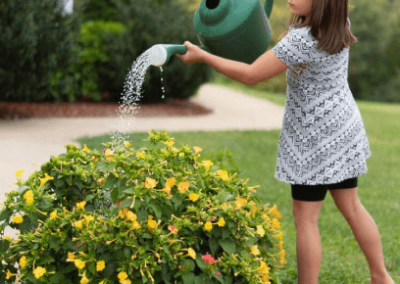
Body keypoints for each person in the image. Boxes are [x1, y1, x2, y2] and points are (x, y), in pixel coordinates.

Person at [176, 0, 395, 284]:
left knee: (306, 218)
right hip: (342, 130)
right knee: (352, 206)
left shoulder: (303, 39)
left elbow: (251, 74)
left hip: (313, 139)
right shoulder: (338, 25)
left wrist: (203, 57)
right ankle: (381, 277)